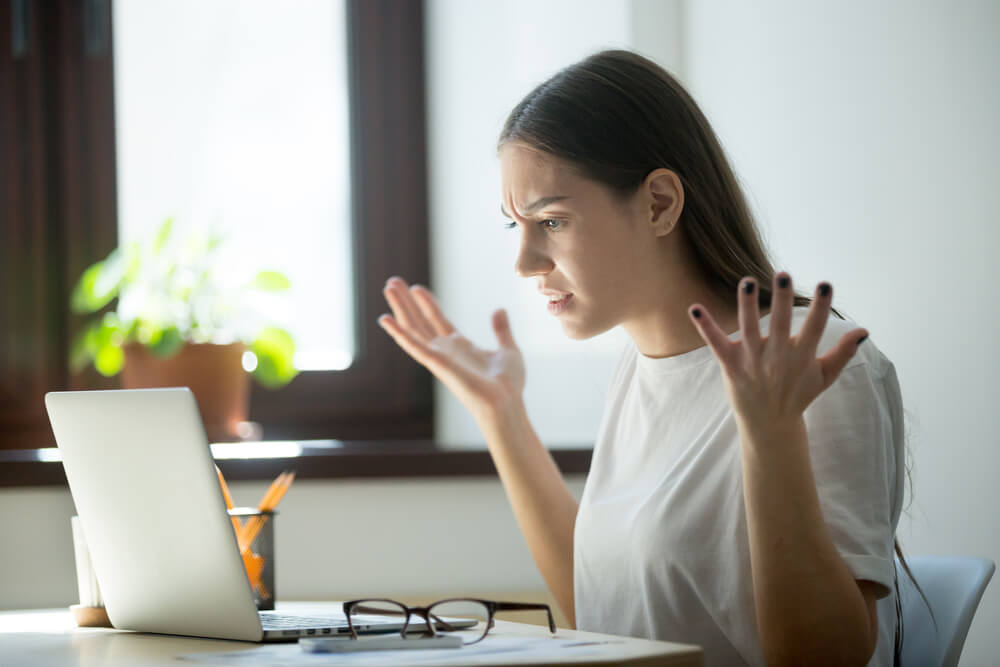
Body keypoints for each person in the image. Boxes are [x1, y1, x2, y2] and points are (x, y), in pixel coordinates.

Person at [378, 50, 907, 667]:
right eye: (514, 226)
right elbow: (606, 620)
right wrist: (501, 415)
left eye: (551, 221)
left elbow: (823, 660)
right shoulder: (642, 367)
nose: (525, 263)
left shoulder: (814, 367)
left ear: (659, 203)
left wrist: (772, 435)